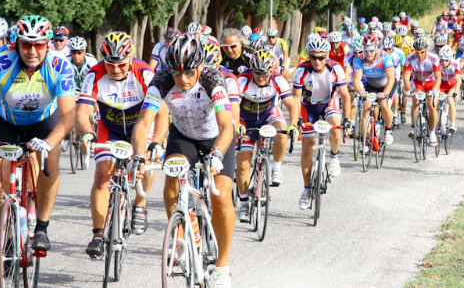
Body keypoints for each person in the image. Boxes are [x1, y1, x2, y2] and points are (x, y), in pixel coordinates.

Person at [0, 15, 76, 260]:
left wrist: (48, 142)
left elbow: (69, 116)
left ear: (48, 44)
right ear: (17, 44)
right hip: (7, 122)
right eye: (26, 44)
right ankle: (5, 234)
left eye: (38, 45)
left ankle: (42, 227)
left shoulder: (61, 65)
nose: (32, 51)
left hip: (44, 121)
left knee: (52, 157)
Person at [132, 33, 235, 287]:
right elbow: (144, 122)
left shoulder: (213, 79)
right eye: (177, 73)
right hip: (184, 136)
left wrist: (217, 155)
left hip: (216, 138)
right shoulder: (162, 81)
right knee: (173, 174)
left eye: (189, 72)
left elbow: (227, 127)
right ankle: (180, 231)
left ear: (200, 65)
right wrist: (139, 156)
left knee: (221, 196)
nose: (184, 79)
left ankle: (222, 266)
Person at [76, 32, 163, 257]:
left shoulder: (144, 72)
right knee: (102, 173)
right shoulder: (93, 73)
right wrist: (87, 133)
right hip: (110, 128)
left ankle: (140, 204)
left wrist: (156, 142)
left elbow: (162, 112)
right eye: (110, 64)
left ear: (131, 59)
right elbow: (83, 111)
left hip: (140, 126)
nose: (115, 69)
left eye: (121, 64)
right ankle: (97, 235)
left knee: (146, 159)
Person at [235, 50, 299, 222]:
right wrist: (237, 124)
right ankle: (243, 204)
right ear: (251, 69)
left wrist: (293, 125)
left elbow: (292, 105)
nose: (261, 77)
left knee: (281, 131)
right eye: (257, 73)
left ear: (271, 71)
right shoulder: (243, 80)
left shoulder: (278, 79)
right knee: (242, 164)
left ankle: (276, 168)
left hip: (268, 114)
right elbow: (234, 106)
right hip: (245, 119)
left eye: (264, 73)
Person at [292, 37, 352, 210]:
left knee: (335, 128)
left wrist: (347, 119)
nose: (317, 61)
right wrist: (297, 121)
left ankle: (334, 157)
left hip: (328, 103)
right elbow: (296, 98)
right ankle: (306, 189)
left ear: (327, 56)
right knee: (307, 147)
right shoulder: (301, 70)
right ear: (309, 56)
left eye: (321, 57)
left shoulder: (336, 68)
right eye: (313, 57)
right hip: (307, 107)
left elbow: (345, 96)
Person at [352, 35, 396, 146]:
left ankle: (388, 129)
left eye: (371, 50)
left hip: (387, 85)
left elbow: (391, 78)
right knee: (366, 106)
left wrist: (385, 94)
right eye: (366, 50)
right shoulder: (360, 59)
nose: (368, 53)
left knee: (384, 105)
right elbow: (356, 81)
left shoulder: (384, 56)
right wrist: (361, 91)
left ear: (376, 49)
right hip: (372, 85)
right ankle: (366, 141)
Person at [402, 37, 441, 146]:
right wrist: (409, 90)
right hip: (418, 82)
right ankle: (414, 128)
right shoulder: (409, 58)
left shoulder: (434, 58)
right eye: (417, 52)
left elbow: (438, 78)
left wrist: (433, 91)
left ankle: (432, 133)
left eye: (422, 52)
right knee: (416, 101)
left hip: (431, 82)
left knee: (432, 106)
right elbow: (406, 77)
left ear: (426, 50)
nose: (419, 55)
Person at [436, 46, 461, 133]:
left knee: (450, 100)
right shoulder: (437, 63)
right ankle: (438, 125)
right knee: (437, 103)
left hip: (451, 84)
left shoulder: (456, 64)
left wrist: (456, 92)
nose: (444, 62)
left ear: (450, 58)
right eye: (442, 60)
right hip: (441, 84)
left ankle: (453, 124)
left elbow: (458, 80)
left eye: (446, 60)